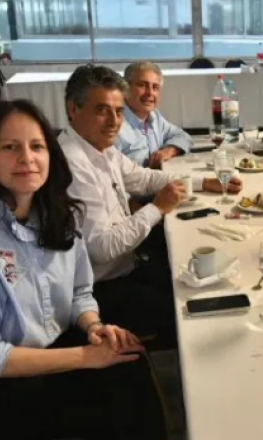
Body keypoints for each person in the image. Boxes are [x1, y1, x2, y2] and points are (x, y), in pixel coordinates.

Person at [0, 99, 166, 439]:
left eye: (37, 146)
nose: (27, 158)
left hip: (49, 348)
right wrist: (85, 356)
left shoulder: (57, 215)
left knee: (128, 365)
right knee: (103, 408)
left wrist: (95, 327)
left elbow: (80, 291)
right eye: (10, 147)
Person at [59, 64, 242, 350]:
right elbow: (101, 248)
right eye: (102, 110)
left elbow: (144, 178)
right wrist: (157, 208)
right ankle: (166, 366)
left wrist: (203, 182)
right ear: (74, 109)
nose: (114, 122)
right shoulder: (73, 163)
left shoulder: (99, 147)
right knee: (190, 306)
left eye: (119, 111)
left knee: (201, 275)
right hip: (98, 289)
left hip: (126, 263)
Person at [116, 61, 193, 169]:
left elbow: (182, 136)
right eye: (142, 85)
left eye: (155, 87)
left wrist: (168, 151)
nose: (150, 93)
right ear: (126, 88)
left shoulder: (155, 117)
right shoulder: (114, 125)